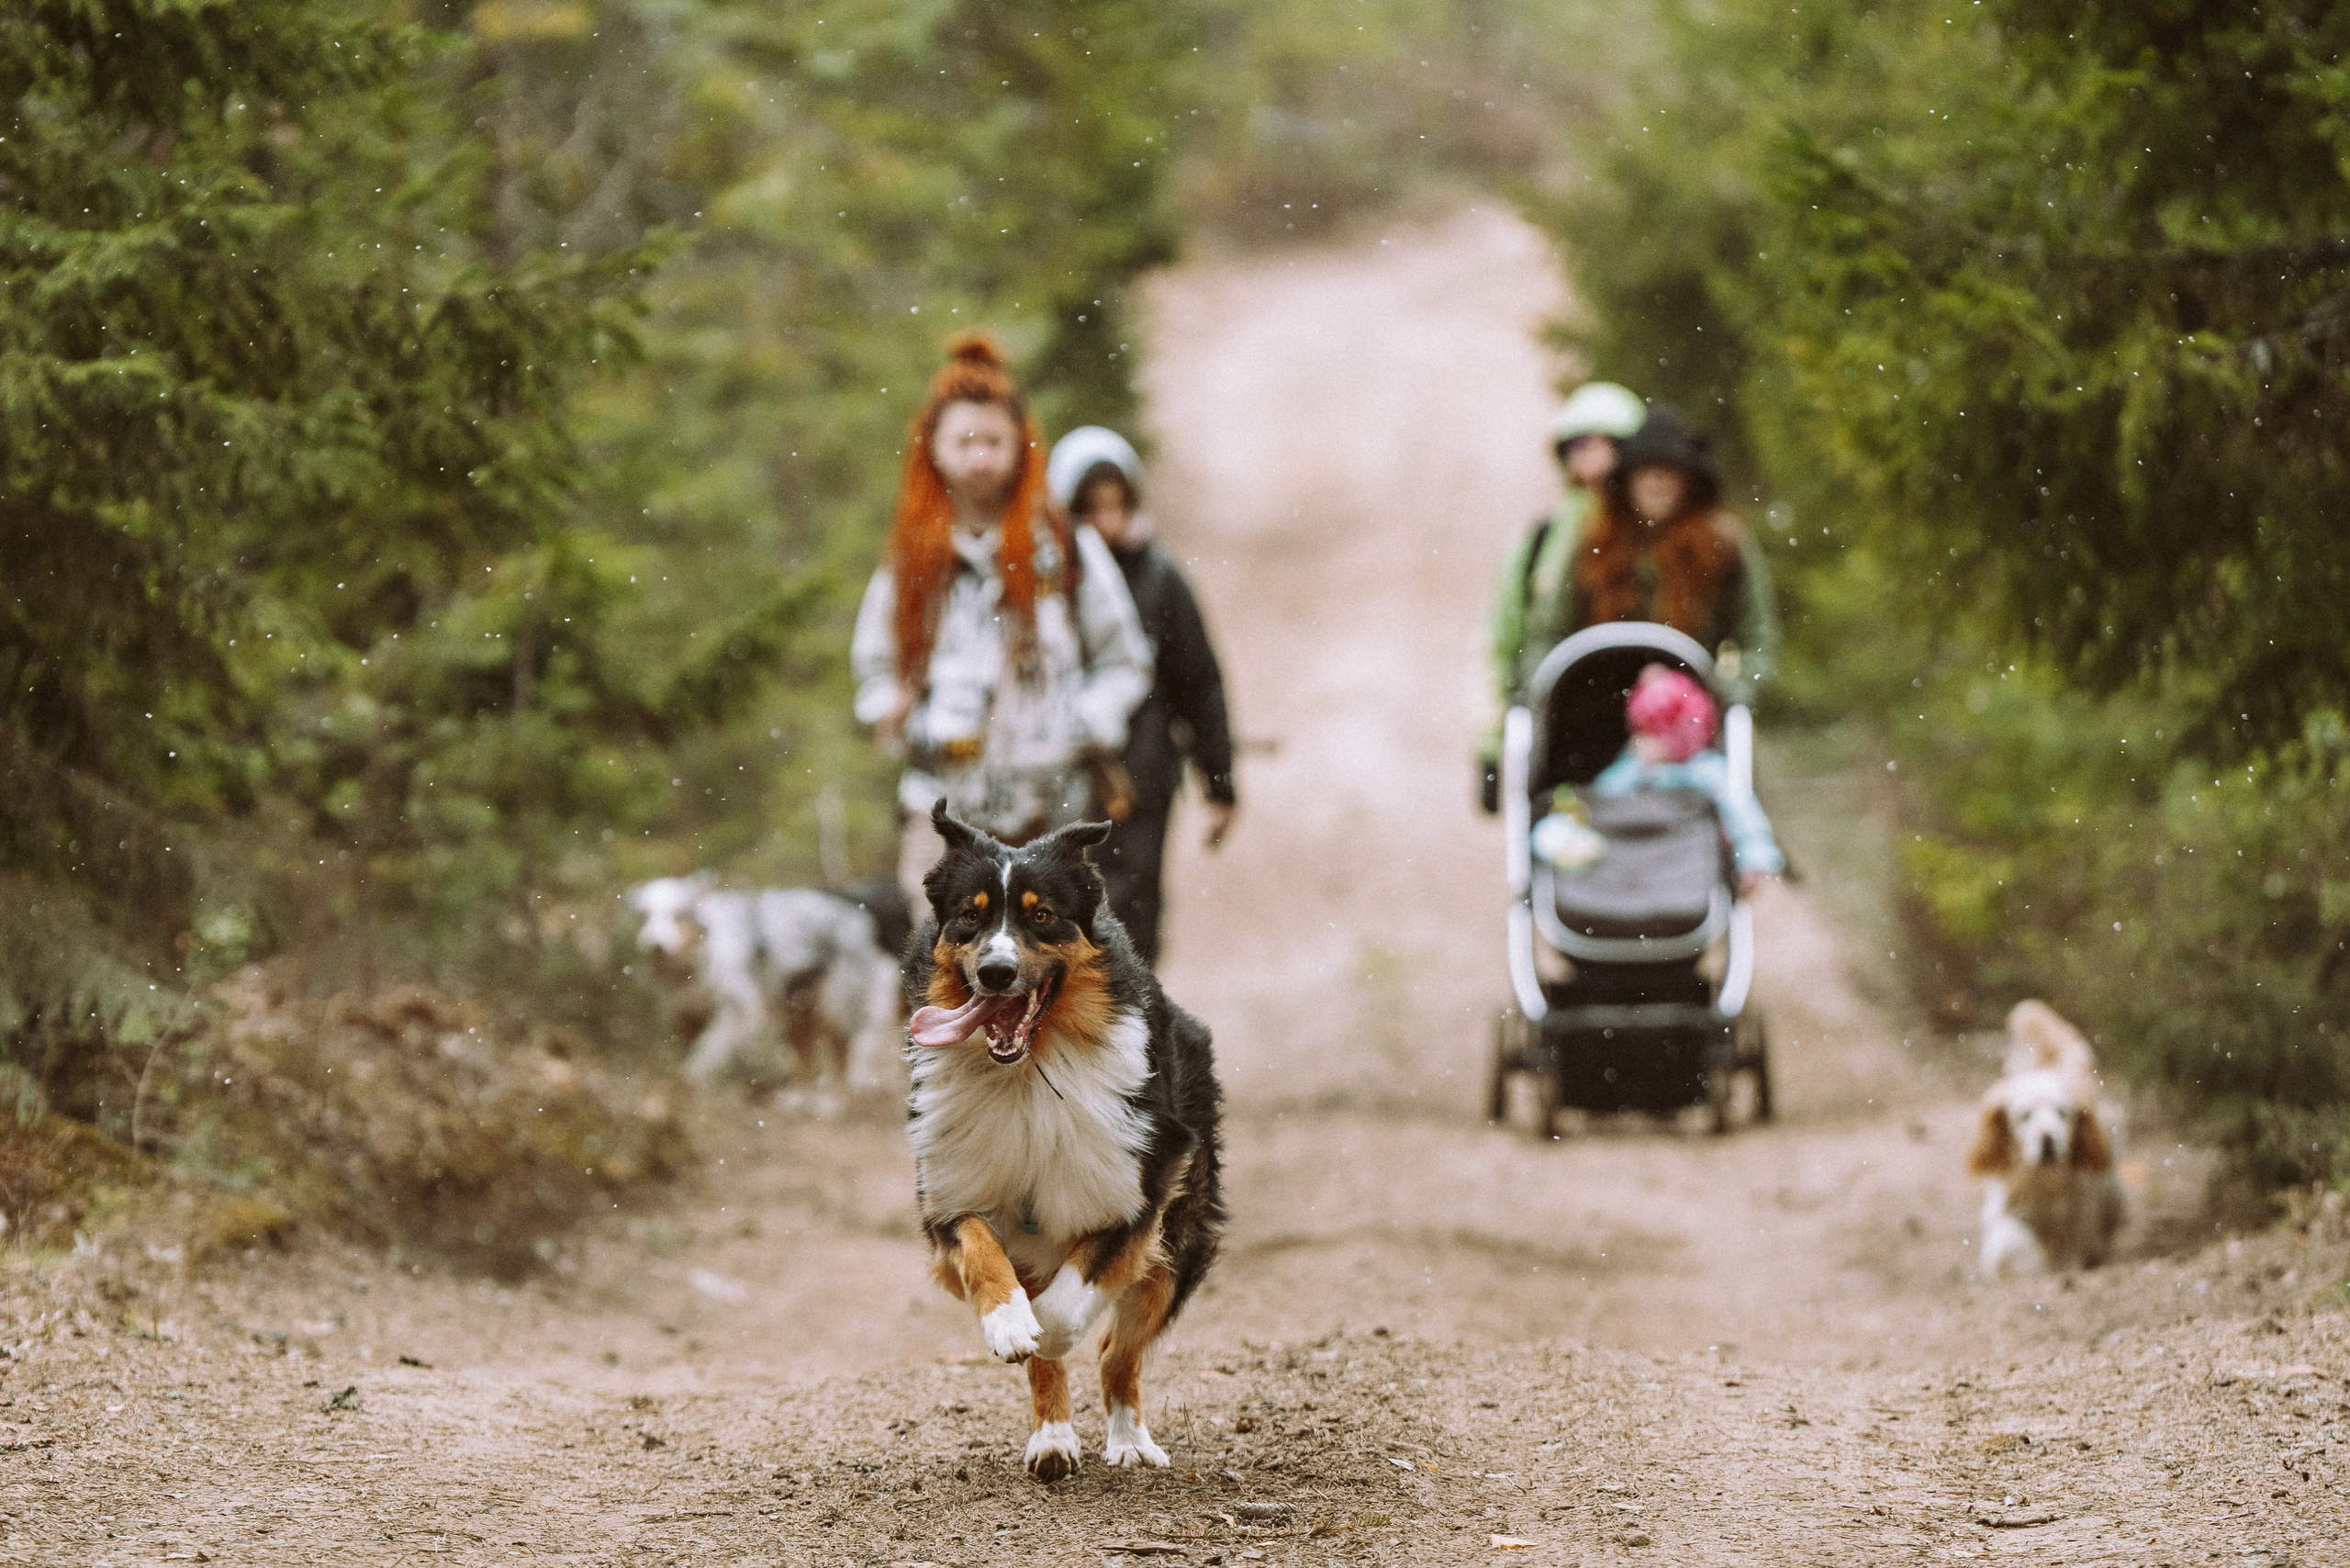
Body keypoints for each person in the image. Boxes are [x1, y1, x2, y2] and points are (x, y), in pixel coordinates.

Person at [850, 335, 1152, 906]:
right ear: (933, 449)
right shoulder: (911, 565)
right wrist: (916, 723)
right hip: (942, 824)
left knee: (1053, 988)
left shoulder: (1066, 549)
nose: (979, 456)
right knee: (944, 984)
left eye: (993, 440)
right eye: (963, 441)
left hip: (1053, 822)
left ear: (1020, 447)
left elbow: (1125, 661)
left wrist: (1081, 723)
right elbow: (875, 673)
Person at [1046, 425, 1237, 966]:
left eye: (1117, 506)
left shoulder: (1160, 579)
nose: (1107, 523)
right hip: (1056, 782)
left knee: (1129, 919)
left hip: (1141, 784)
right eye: (1091, 509)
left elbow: (1200, 682)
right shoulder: (1042, 580)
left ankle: (1134, 1037)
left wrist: (1219, 783)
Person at [1481, 380, 1647, 812]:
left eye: (1609, 445)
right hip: (1566, 726)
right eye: (1578, 446)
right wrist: (1492, 744)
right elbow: (1502, 641)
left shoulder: (1664, 537)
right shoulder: (1539, 542)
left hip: (1653, 715)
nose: (1593, 460)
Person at [1569, 404, 1779, 710]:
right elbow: (1550, 633)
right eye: (1645, 468)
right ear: (1627, 479)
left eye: (1669, 468)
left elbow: (1758, 638)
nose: (1657, 479)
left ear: (1688, 479)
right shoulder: (1591, 542)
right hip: (1599, 709)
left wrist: (1726, 692)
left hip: (1690, 716)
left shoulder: (1724, 543)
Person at [1542, 664, 1783, 895]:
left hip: (1688, 868)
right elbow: (1603, 797)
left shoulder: (1707, 771)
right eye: (1638, 732)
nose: (1640, 741)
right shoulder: (1634, 767)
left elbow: (1743, 812)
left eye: (1648, 732)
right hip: (1633, 863)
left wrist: (1753, 856)